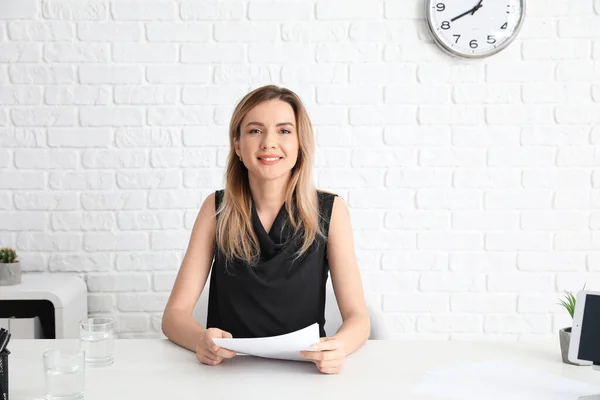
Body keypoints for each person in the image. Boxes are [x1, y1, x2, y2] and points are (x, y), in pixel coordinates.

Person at [161, 85, 370, 374]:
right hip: (228, 372)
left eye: (284, 131)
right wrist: (201, 340)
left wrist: (339, 347)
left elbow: (358, 317)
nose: (269, 143)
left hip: (303, 373)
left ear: (300, 143)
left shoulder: (331, 211)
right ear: (237, 144)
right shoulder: (216, 208)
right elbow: (174, 316)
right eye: (255, 131)